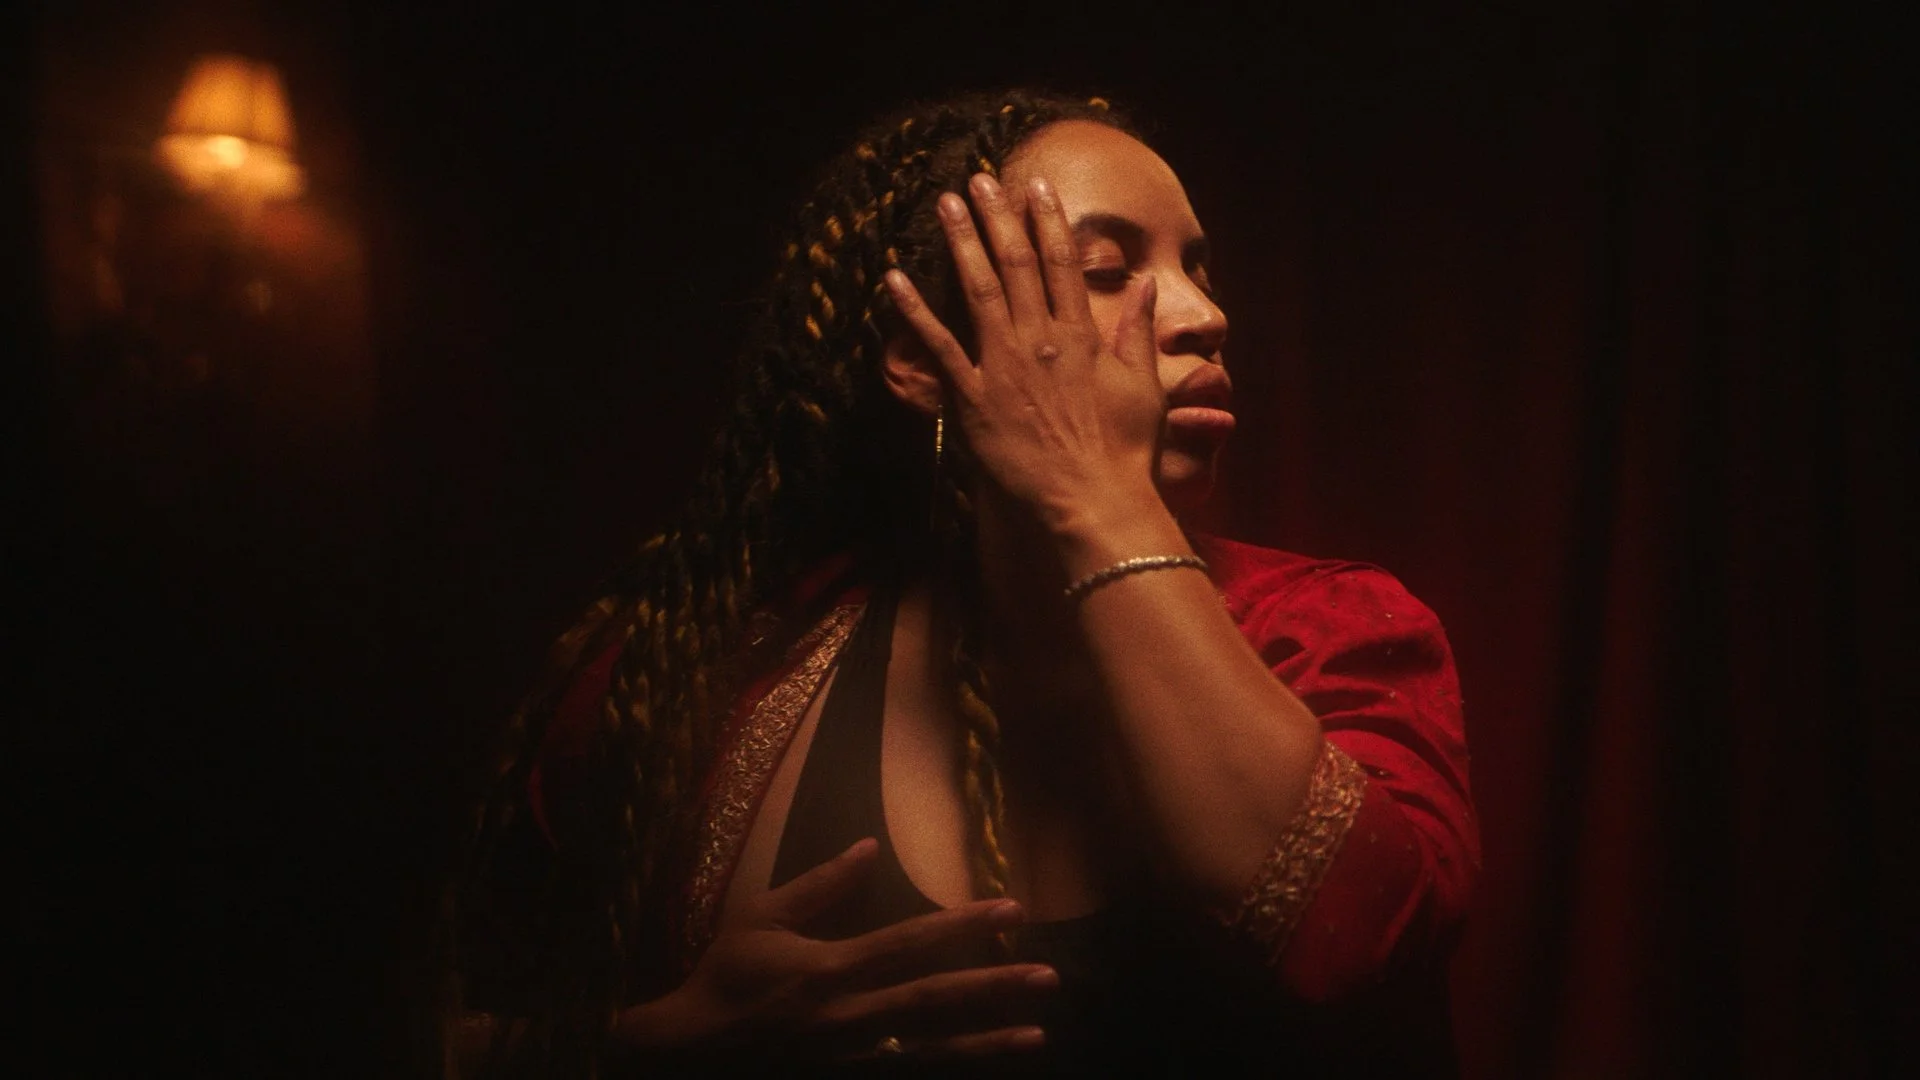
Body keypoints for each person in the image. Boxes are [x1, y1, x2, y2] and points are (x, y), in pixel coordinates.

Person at [446, 90, 1477, 1078]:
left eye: (1201, 269)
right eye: (1110, 269)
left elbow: (1352, 944)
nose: (1205, 314)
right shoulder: (700, 683)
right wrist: (662, 1042)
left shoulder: (1339, 632)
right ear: (922, 360)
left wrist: (1094, 498)